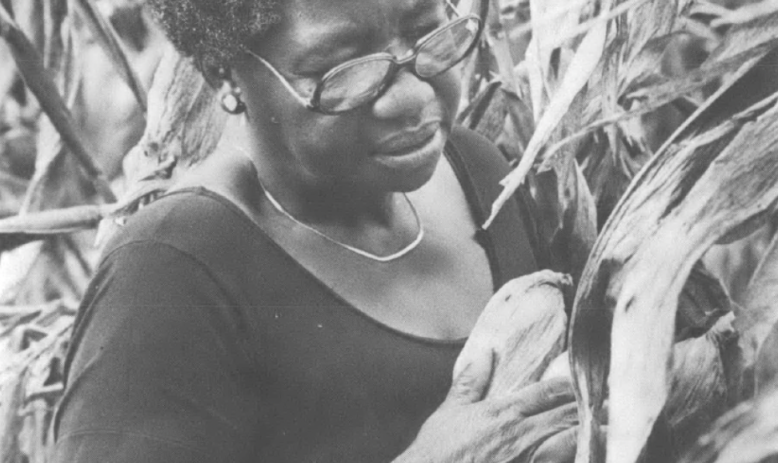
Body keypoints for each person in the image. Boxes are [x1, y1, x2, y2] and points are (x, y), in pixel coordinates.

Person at [52, 0, 580, 461]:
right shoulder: (172, 274)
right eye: (343, 70)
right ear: (225, 76)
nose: (412, 98)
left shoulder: (482, 173)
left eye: (427, 31)